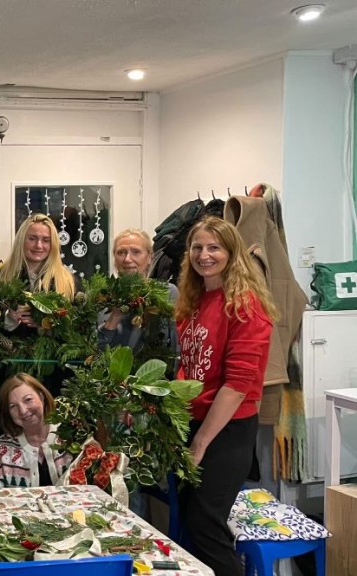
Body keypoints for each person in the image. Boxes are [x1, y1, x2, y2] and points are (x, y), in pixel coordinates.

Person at [175, 216, 276, 576]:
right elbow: (188, 364)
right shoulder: (195, 300)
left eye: (214, 247)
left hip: (227, 430)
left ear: (232, 253)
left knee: (205, 524)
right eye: (197, 247)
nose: (204, 255)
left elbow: (236, 385)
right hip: (194, 422)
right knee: (191, 520)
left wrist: (201, 442)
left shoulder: (245, 306)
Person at [0, 214, 79, 446]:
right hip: (9, 374)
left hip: (52, 376)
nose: (39, 245)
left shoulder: (68, 282)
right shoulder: (0, 279)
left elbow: (78, 336)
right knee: (10, 437)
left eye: (46, 240)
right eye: (32, 238)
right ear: (22, 241)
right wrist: (9, 319)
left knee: (52, 439)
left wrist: (48, 325)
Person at [97, 228, 179, 355]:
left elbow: (177, 346)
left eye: (136, 252)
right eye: (121, 252)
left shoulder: (167, 292)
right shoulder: (102, 297)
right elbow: (92, 352)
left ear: (150, 257)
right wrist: (113, 319)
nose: (127, 259)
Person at [0, 373, 72, 488]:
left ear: (42, 397)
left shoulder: (69, 434)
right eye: (13, 406)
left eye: (28, 400)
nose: (23, 411)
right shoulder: (1, 449)